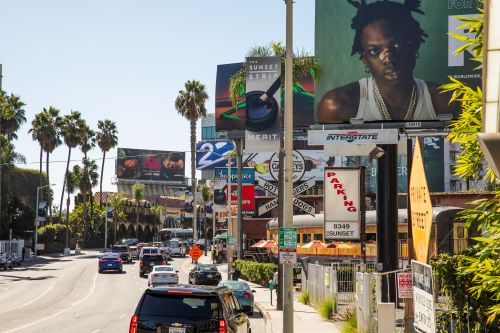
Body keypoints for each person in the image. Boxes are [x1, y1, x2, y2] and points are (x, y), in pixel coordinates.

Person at [316, 0, 461, 123]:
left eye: (398, 45)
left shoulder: (449, 101)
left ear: (414, 45)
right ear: (364, 58)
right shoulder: (336, 105)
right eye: (374, 51)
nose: (389, 59)